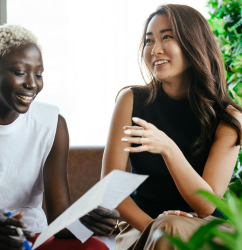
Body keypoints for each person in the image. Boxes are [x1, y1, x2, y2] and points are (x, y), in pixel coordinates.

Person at [0, 24, 119, 250]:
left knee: (95, 247)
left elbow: (59, 218)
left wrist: (88, 222)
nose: (32, 84)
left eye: (38, 74)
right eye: (19, 72)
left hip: (32, 237)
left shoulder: (53, 124)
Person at [101, 4, 242, 250]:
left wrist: (168, 149)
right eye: (148, 41)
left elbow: (206, 205)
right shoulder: (132, 101)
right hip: (142, 227)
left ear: (194, 44)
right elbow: (112, 191)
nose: (155, 49)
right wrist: (157, 228)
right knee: (168, 228)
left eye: (167, 37)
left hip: (204, 227)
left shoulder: (228, 118)